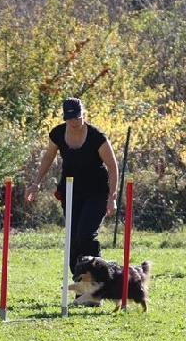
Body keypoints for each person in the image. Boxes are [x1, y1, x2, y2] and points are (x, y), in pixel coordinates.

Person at [25, 97, 119, 277]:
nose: (74, 122)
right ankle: (79, 285)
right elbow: (48, 157)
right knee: (73, 239)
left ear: (83, 115)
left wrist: (111, 198)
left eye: (77, 117)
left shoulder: (96, 137)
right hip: (70, 191)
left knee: (85, 234)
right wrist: (36, 183)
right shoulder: (58, 134)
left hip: (96, 192)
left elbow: (113, 167)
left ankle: (98, 277)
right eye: (69, 118)